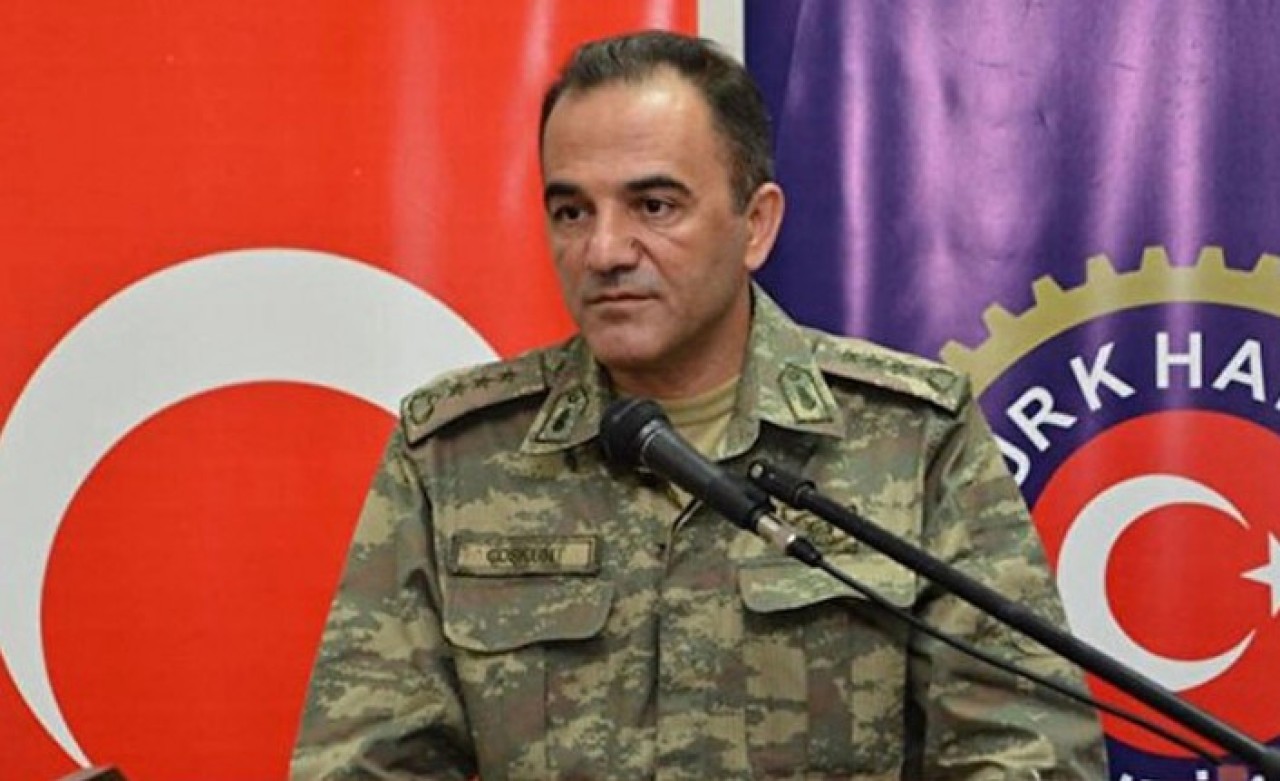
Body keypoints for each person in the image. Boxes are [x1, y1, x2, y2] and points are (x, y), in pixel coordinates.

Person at [291, 30, 1107, 780]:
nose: (604, 250)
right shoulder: (455, 456)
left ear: (756, 225)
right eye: (572, 211)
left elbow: (1029, 748)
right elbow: (363, 763)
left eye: (654, 206)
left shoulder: (909, 437)